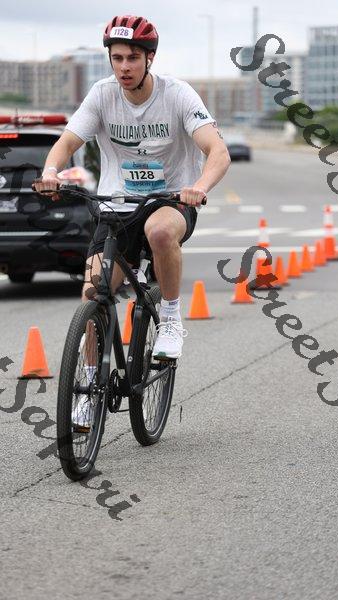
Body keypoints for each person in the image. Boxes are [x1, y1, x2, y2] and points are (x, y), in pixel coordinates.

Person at [33, 14, 230, 428]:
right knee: (94, 292)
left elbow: (217, 151)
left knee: (159, 232)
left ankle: (171, 319)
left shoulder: (177, 95)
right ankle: (89, 386)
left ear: (149, 59)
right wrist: (51, 172)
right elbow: (67, 143)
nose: (124, 67)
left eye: (133, 58)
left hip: (169, 201)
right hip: (117, 206)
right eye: (117, 58)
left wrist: (199, 186)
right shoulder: (103, 95)